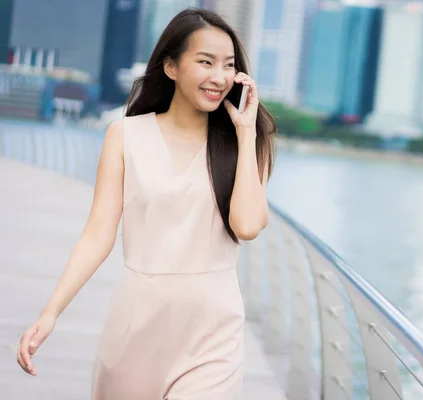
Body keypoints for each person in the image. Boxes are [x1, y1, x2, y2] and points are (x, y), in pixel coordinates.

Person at [16, 8, 276, 399]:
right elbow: (97, 235)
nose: (219, 77)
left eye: (229, 65)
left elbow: (247, 226)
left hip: (213, 333)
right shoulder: (125, 136)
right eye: (205, 62)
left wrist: (244, 131)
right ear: (171, 67)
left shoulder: (245, 141)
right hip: (137, 325)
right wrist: (51, 312)